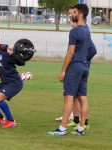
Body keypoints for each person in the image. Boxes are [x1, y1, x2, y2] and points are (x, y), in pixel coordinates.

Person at [48, 4, 96, 136]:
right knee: (83, 98)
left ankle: (62, 129)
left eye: (73, 12)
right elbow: (93, 50)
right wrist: (84, 61)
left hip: (74, 67)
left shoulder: (74, 31)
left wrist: (63, 70)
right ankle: (81, 129)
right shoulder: (87, 29)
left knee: (69, 98)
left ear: (80, 14)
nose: (71, 15)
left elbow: (70, 52)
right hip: (85, 67)